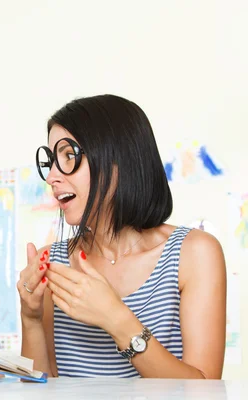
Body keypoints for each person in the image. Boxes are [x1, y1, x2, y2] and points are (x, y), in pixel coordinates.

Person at [17, 94, 226, 378]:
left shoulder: (194, 253)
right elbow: (39, 390)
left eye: (68, 156)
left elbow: (205, 393)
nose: (52, 176)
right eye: (52, 160)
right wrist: (30, 319)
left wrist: (115, 318)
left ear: (118, 160)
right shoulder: (51, 263)